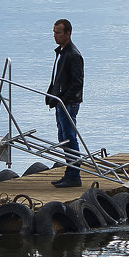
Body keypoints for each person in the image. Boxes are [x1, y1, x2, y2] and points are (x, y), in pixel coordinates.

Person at [47, 18, 85, 188]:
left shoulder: (73, 55)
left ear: (68, 34)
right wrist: (51, 95)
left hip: (68, 103)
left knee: (69, 137)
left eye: (58, 32)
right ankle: (70, 172)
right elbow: (58, 78)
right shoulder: (62, 52)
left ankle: (74, 174)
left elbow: (77, 82)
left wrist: (63, 98)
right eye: (54, 32)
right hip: (61, 102)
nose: (55, 35)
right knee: (63, 136)